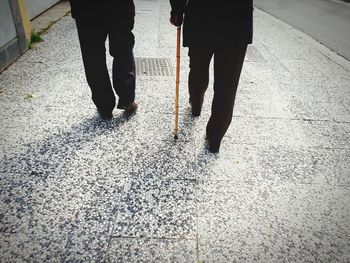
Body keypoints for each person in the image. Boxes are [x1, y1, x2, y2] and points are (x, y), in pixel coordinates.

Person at [169, 1, 253, 153]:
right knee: (227, 83)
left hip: (201, 14)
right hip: (237, 18)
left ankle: (196, 102)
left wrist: (177, 9)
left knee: (197, 67)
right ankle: (215, 136)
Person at [69, 0, 138, 120]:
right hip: (119, 6)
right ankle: (127, 99)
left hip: (85, 8)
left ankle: (104, 105)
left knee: (92, 55)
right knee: (123, 49)